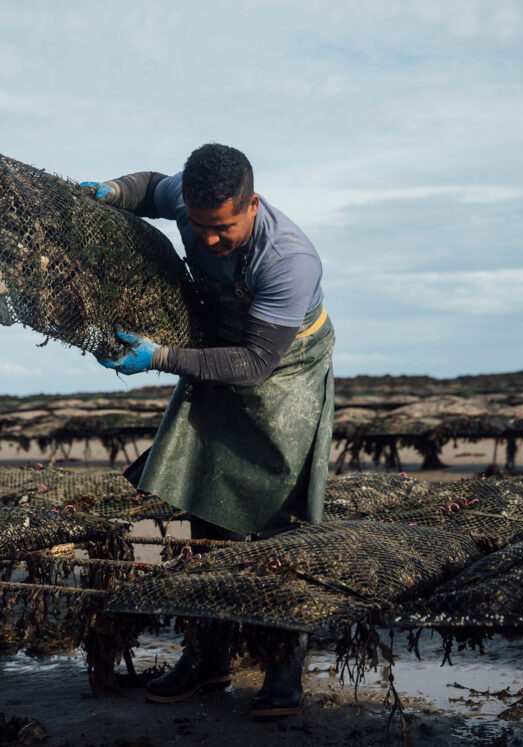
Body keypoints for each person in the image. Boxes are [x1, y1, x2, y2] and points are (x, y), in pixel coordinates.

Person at [83, 143, 335, 717]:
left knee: (278, 517)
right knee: (203, 506)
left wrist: (160, 357)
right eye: (199, 228)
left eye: (223, 229)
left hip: (284, 365)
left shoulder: (289, 259)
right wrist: (113, 192)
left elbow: (253, 365)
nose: (209, 240)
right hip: (218, 349)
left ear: (252, 205)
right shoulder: (187, 201)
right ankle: (207, 657)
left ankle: (282, 665)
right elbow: (150, 187)